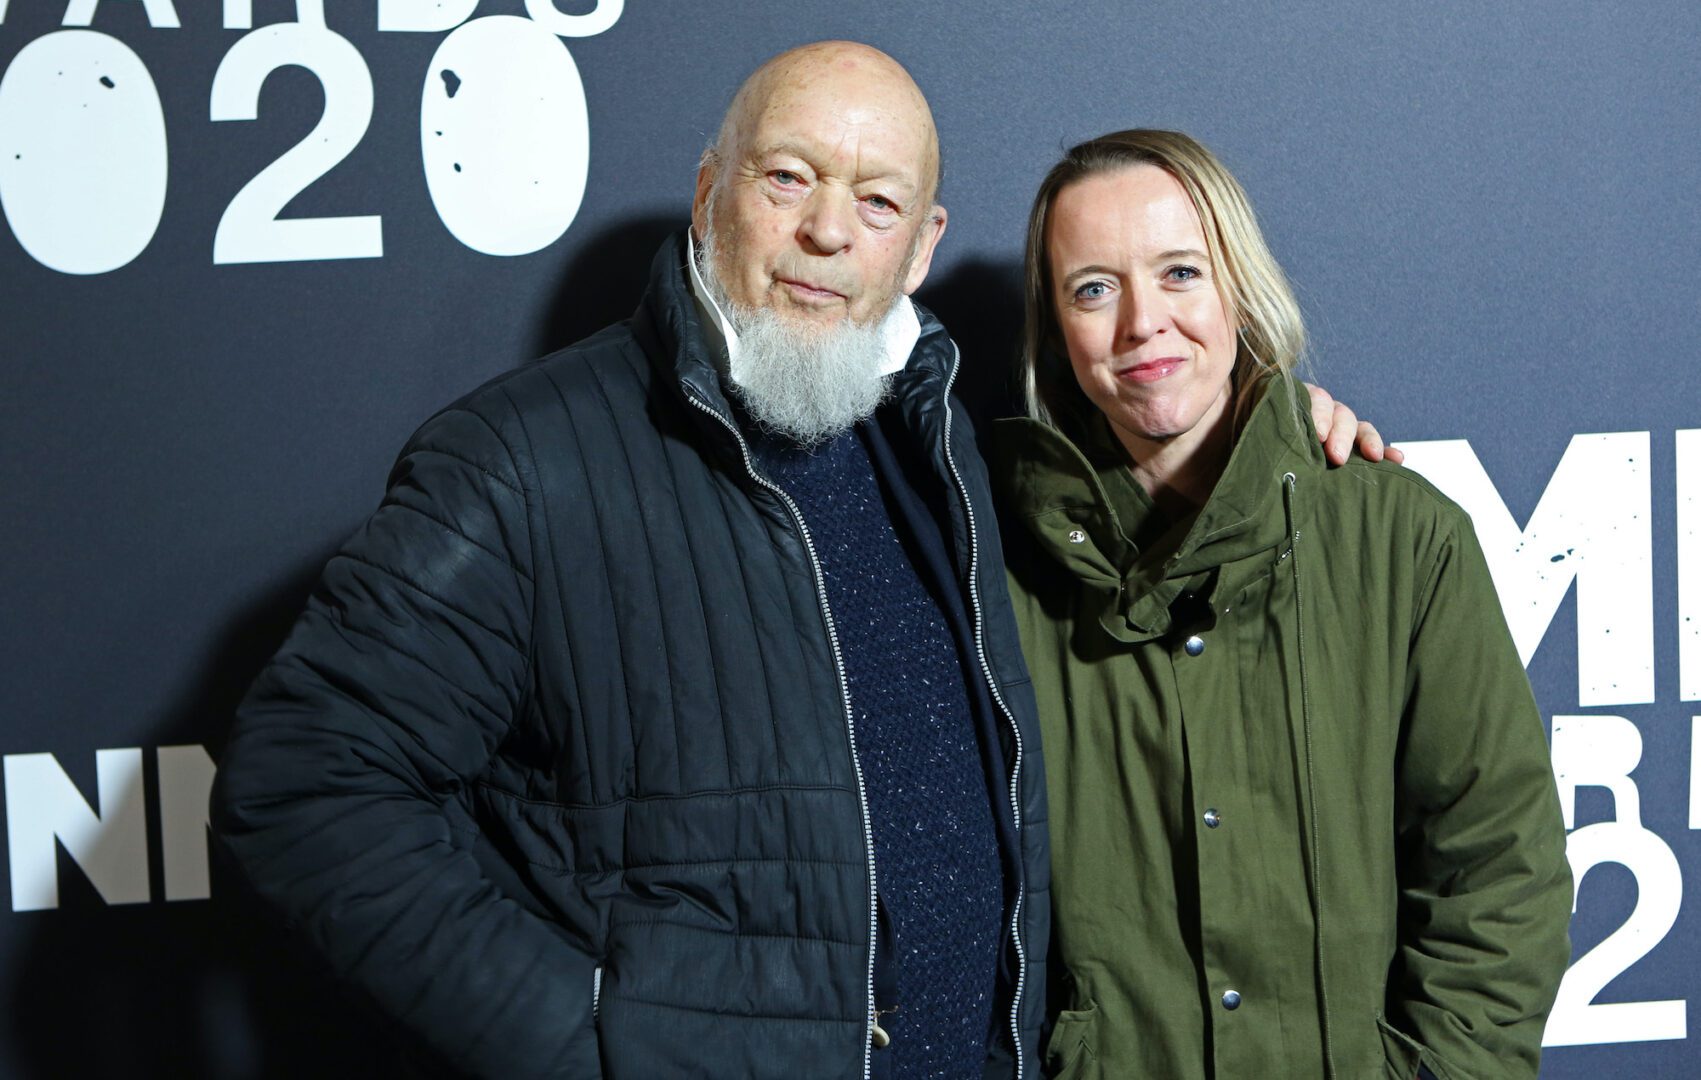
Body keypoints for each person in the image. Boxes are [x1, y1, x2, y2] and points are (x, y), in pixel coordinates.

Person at [211, 43, 1387, 1079]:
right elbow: (305, 780)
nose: (829, 231)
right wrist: (585, 1046)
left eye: (879, 203)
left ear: (920, 249)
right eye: (790, 179)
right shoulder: (526, 461)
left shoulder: (948, 451)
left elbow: (1160, 457)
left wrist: (1282, 433)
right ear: (711, 190)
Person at [994, 129, 1573, 1080]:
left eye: (1180, 272)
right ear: (1055, 329)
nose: (1143, 322)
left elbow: (1497, 867)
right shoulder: (993, 572)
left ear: (1236, 286)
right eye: (1092, 288)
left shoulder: (1400, 537)